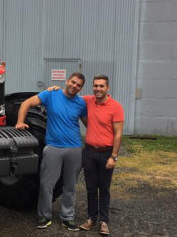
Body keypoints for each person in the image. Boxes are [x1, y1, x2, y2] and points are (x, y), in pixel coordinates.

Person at [15, 72, 87, 231]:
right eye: (73, 82)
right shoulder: (51, 94)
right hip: (53, 147)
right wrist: (20, 122)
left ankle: (67, 217)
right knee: (47, 183)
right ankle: (44, 216)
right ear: (67, 81)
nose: (74, 86)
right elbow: (27, 103)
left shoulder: (81, 103)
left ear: (81, 88)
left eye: (78, 85)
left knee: (70, 185)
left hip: (74, 148)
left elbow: (89, 123)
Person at [78, 74, 124, 235]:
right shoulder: (88, 100)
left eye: (101, 86)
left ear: (107, 88)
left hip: (106, 153)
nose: (98, 88)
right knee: (91, 188)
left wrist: (114, 156)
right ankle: (91, 219)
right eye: (95, 85)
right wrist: (54, 89)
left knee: (104, 188)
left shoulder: (115, 107)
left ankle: (104, 221)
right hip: (89, 152)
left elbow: (118, 134)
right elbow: (70, 94)